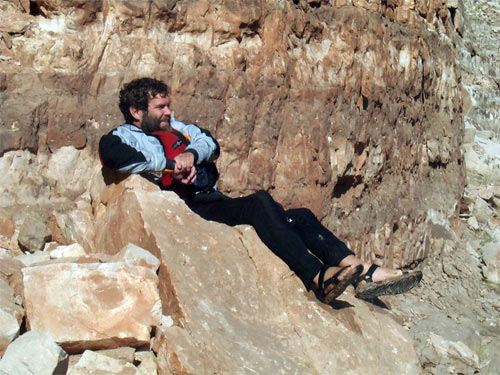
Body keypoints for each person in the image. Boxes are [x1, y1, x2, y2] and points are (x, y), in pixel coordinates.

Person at [99, 77, 422, 304]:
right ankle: (317, 277)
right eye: (160, 108)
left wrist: (191, 155)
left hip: (211, 198)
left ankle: (362, 271)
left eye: (168, 106)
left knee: (300, 217)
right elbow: (115, 156)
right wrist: (171, 165)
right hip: (189, 208)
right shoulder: (123, 136)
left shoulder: (178, 128)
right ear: (137, 112)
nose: (168, 112)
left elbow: (209, 142)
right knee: (259, 203)